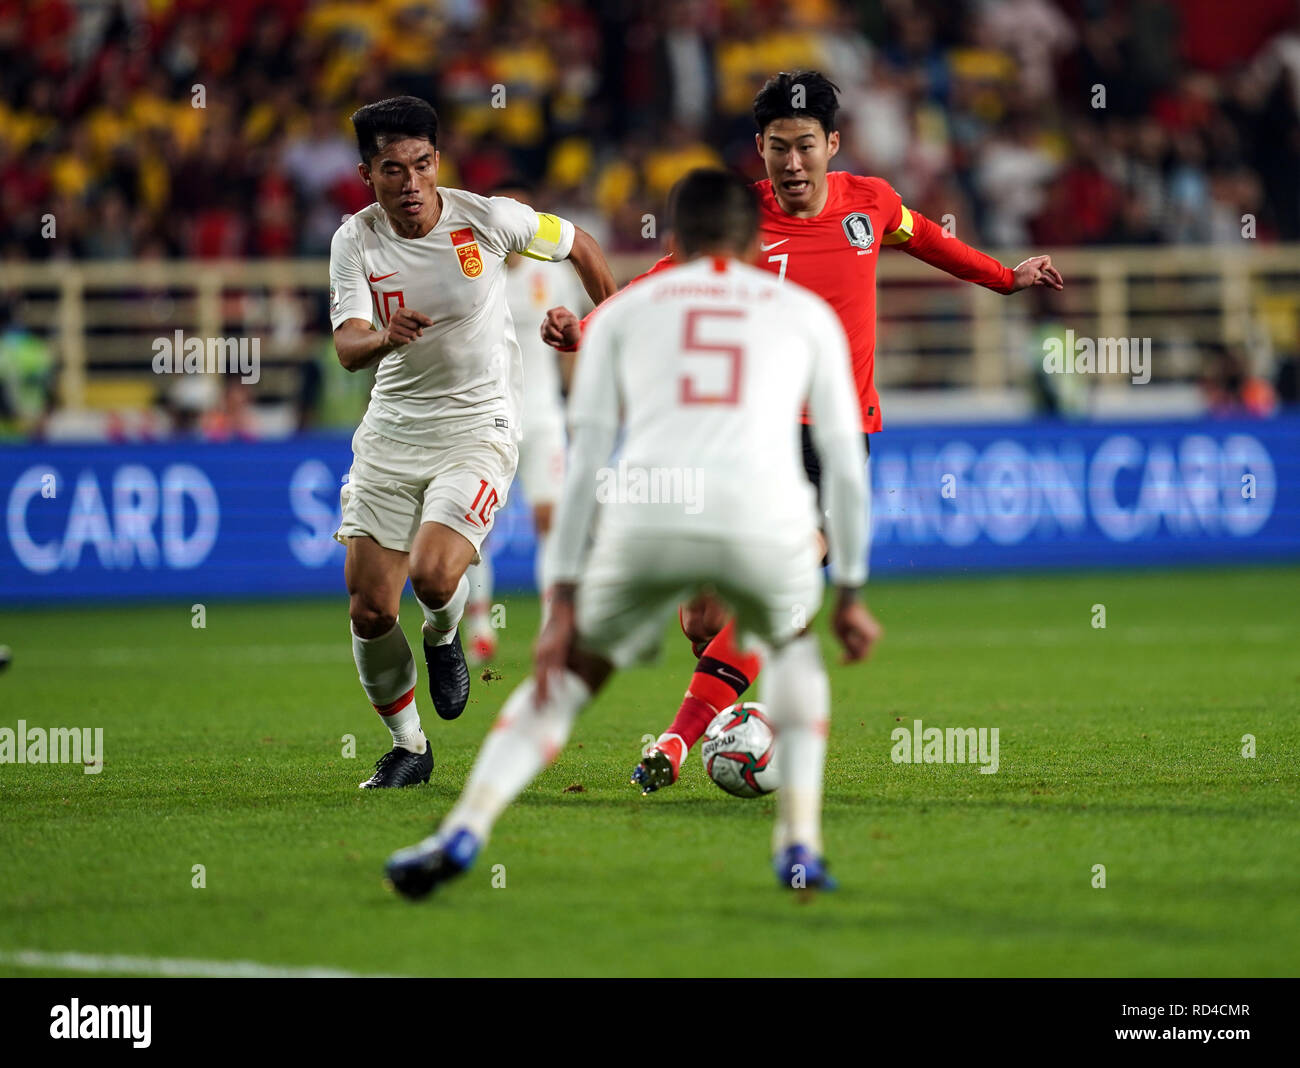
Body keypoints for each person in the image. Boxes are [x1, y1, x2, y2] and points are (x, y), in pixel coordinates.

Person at [540, 70, 1064, 793]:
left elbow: (933, 240)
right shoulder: (739, 221)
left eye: (806, 147)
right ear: (760, 148)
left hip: (834, 441)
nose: (792, 163)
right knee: (701, 618)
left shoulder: (872, 204)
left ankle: (676, 741)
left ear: (833, 144)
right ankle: (733, 713)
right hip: (749, 436)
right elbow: (659, 278)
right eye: (778, 148)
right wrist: (584, 330)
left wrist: (1007, 279)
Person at [386, 168, 880, 897]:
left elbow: (587, 462)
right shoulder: (804, 314)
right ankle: (800, 848)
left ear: (673, 240)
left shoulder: (623, 311)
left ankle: (462, 830)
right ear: (753, 241)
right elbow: (843, 457)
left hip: (652, 507)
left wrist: (560, 599)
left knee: (565, 681)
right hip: (762, 513)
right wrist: (851, 589)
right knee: (794, 659)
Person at [329, 96, 616, 789]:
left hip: (479, 426)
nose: (411, 183)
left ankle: (444, 636)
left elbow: (580, 243)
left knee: (433, 574)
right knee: (369, 608)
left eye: (422, 165)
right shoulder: (355, 240)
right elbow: (345, 344)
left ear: (438, 161)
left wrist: (603, 322)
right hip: (392, 432)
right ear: (368, 172)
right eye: (392, 169)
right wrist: (381, 337)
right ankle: (410, 747)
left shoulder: (488, 218)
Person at [462, 178, 590, 665]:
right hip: (489, 416)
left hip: (543, 414)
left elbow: (573, 342)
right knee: (479, 527)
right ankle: (478, 626)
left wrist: (576, 405)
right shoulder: (473, 273)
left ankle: (551, 626)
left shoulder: (551, 274)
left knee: (548, 519)